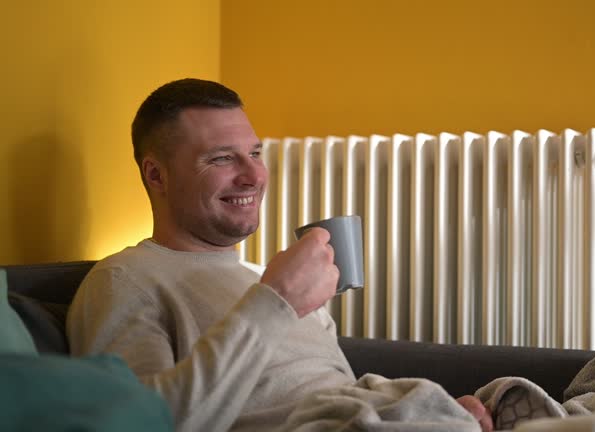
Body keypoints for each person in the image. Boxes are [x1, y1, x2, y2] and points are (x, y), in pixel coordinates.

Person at [66, 78, 492, 432]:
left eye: (254, 154)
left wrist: (432, 410)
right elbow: (147, 424)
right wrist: (277, 301)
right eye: (221, 159)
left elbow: (329, 394)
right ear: (156, 174)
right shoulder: (125, 280)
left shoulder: (265, 276)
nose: (253, 176)